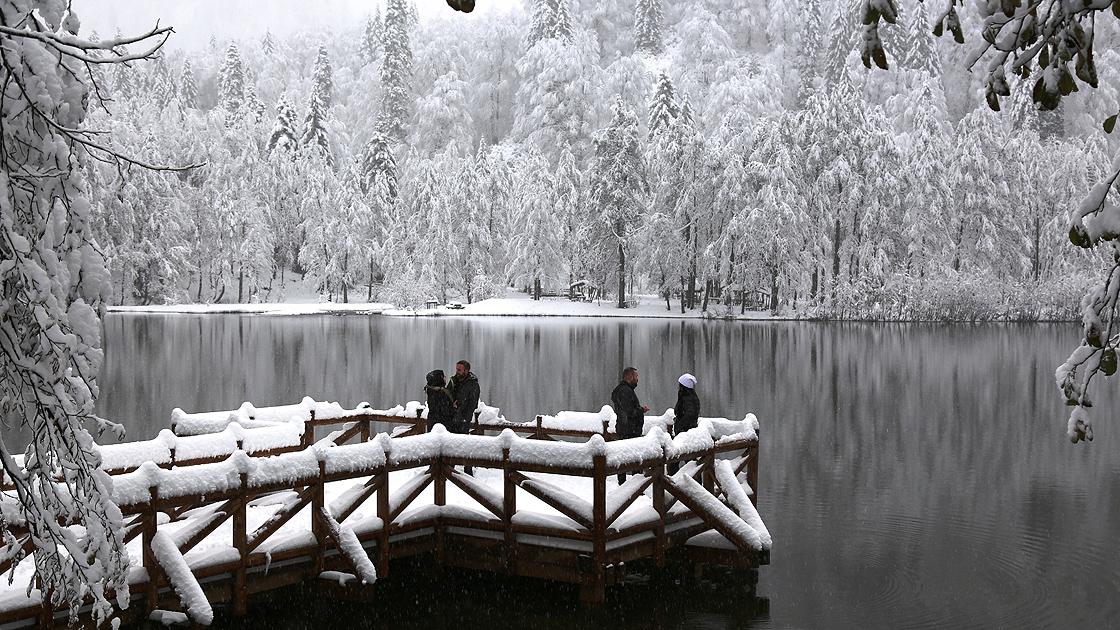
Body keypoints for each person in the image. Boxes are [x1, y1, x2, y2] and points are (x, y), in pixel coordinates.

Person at [610, 367, 649, 484]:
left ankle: (624, 482)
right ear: (630, 377)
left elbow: (625, 410)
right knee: (635, 458)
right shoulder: (626, 391)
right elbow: (629, 411)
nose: (637, 379)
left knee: (623, 456)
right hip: (629, 430)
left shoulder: (621, 390)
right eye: (636, 377)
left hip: (624, 428)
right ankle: (634, 485)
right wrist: (640, 410)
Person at [668, 373, 700, 475]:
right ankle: (692, 482)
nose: (678, 387)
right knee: (688, 460)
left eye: (679, 384)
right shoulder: (690, 396)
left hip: (685, 434)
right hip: (687, 432)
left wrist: (680, 425)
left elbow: (690, 414)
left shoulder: (687, 397)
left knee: (675, 458)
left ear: (683, 386)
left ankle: (673, 483)